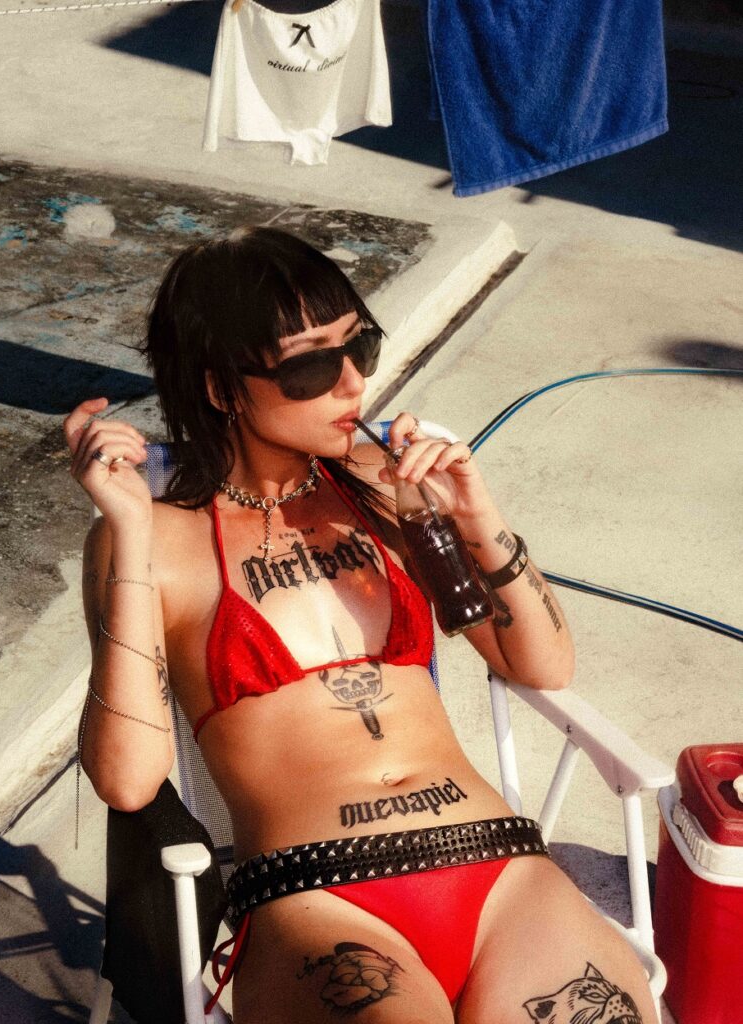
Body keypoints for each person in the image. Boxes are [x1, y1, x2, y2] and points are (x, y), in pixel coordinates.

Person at [64, 226, 655, 1023]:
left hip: (499, 872)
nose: (353, 383)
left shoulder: (381, 487)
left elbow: (543, 665)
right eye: (310, 367)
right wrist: (130, 534)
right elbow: (127, 780)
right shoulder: (152, 537)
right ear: (221, 389)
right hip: (319, 895)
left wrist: (476, 512)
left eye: (361, 347)